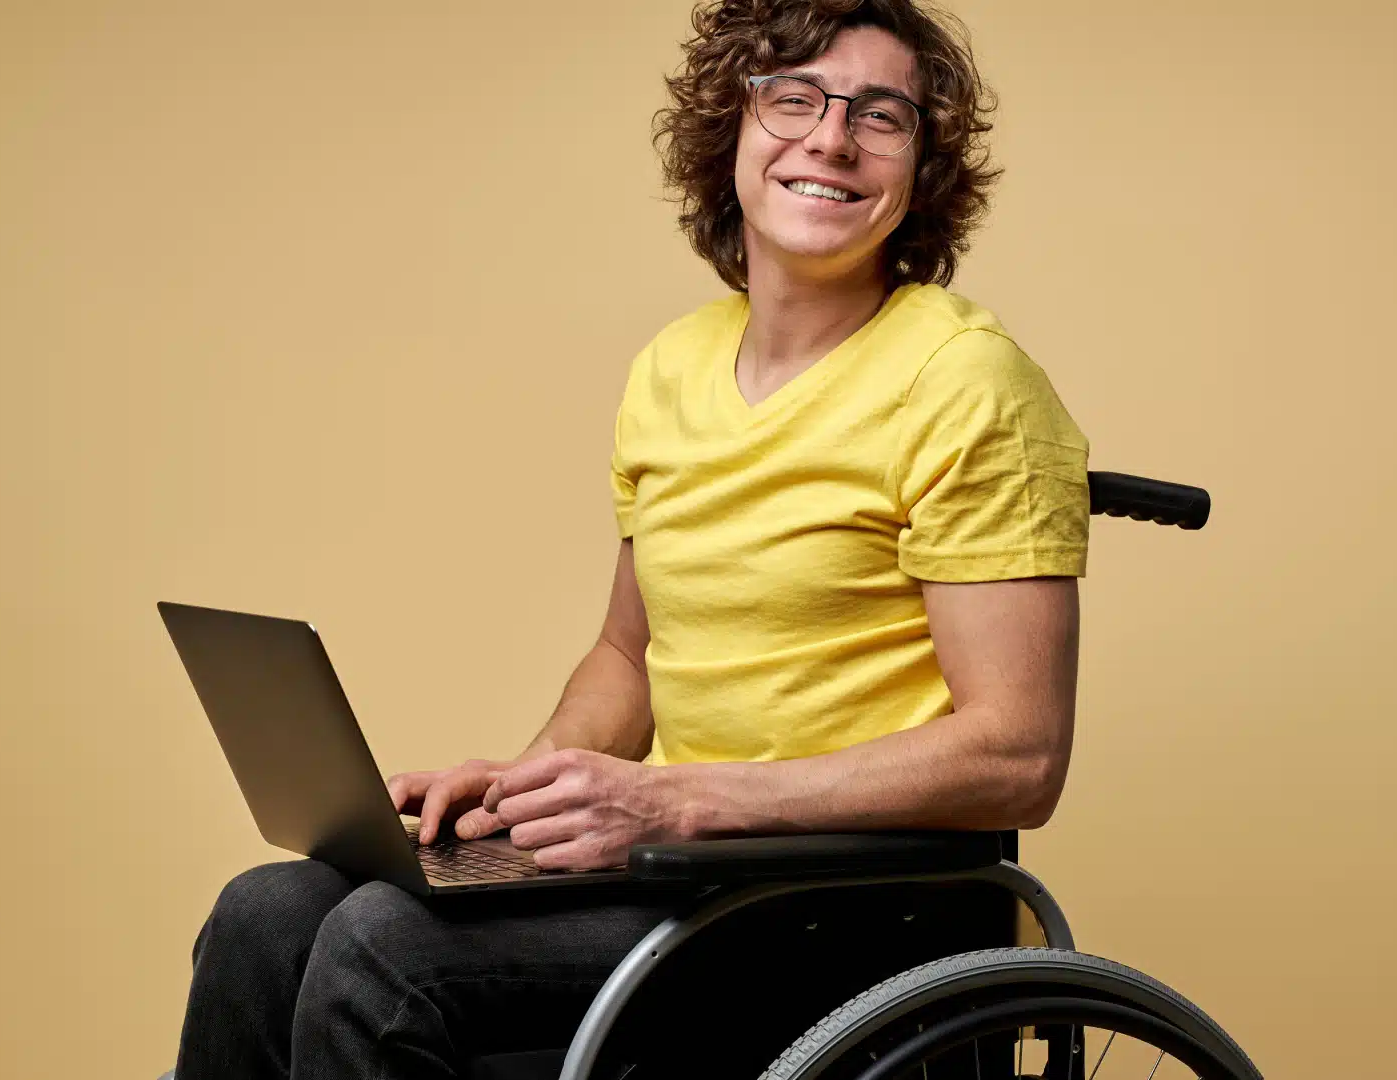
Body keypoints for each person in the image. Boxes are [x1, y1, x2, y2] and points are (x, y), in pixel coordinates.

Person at [171, 1, 1089, 1076]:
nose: (831, 139)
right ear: (731, 131)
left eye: (880, 116)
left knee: (383, 955)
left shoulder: (967, 383)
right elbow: (626, 655)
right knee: (266, 913)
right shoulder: (674, 368)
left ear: (922, 167)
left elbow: (1018, 755)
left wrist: (684, 796)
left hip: (853, 906)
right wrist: (525, 787)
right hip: (682, 871)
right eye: (793, 98)